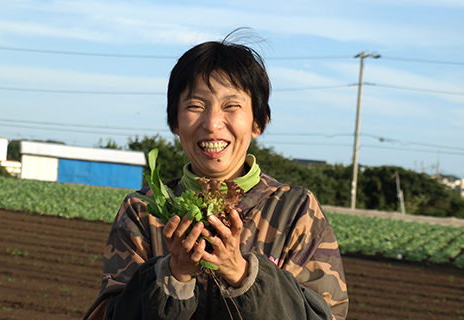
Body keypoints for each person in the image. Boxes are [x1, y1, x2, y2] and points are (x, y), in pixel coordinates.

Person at [84, 33, 348, 320]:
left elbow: (324, 315)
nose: (211, 124)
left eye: (231, 106)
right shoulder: (143, 212)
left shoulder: (295, 211)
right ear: (174, 122)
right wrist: (174, 276)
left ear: (258, 122)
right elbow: (111, 315)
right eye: (195, 106)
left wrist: (242, 274)